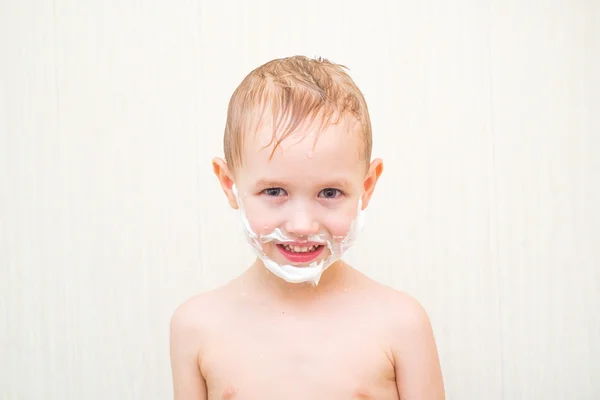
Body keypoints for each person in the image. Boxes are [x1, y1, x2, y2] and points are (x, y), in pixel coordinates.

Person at [169, 55, 445, 399]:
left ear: (367, 186)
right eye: (274, 191)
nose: (302, 225)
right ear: (229, 184)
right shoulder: (197, 328)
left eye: (330, 192)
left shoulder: (402, 325)